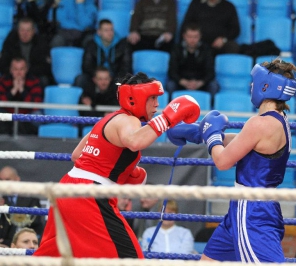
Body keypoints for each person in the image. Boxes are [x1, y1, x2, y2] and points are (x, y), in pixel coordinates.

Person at [33, 72, 200, 258]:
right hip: (89, 195)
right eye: (152, 98)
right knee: (129, 259)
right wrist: (168, 118)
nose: (157, 104)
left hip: (67, 188)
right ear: (136, 97)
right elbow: (135, 142)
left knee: (51, 257)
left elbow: (77, 155)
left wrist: (125, 173)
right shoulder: (128, 120)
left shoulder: (108, 119)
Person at [167, 58, 296, 262]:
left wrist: (212, 136)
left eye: (254, 82)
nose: (251, 86)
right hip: (245, 208)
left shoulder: (260, 124)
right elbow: (241, 143)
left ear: (266, 86)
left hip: (252, 212)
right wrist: (200, 133)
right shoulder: (278, 120)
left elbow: (222, 162)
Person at [167, 23, 219, 102]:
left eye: (195, 37)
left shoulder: (206, 50)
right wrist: (183, 82)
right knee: (170, 85)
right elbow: (172, 71)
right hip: (182, 82)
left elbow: (210, 72)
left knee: (213, 86)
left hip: (200, 83)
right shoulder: (176, 49)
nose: (192, 40)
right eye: (190, 37)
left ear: (200, 36)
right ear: (184, 36)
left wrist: (200, 83)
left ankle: (209, 108)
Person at [75, 19, 132, 90]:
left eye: (111, 30)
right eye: (106, 30)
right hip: (95, 77)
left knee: (126, 81)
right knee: (81, 79)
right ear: (99, 32)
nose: (110, 33)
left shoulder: (123, 45)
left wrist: (109, 77)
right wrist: (98, 76)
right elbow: (86, 66)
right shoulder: (91, 45)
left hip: (114, 78)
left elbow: (126, 67)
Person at [0, 17, 53, 88]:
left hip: (33, 75)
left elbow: (46, 67)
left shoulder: (41, 43)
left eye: (28, 30)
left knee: (44, 80)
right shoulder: (10, 41)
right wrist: (15, 72)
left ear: (33, 31)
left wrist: (25, 72)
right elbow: (3, 63)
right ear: (18, 31)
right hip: (13, 75)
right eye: (22, 30)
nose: (25, 33)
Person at [0, 56, 44, 135]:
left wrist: (22, 91)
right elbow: (1, 103)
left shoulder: (34, 81)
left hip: (27, 116)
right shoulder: (3, 81)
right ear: (11, 70)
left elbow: (36, 104)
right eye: (15, 69)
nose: (18, 73)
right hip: (8, 115)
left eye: (21, 69)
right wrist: (13, 92)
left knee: (38, 115)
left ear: (26, 70)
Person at [0, 166, 45, 240]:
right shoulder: (1, 199)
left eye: (7, 179)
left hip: (22, 244)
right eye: (1, 180)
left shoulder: (31, 199)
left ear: (17, 179)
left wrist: (9, 243)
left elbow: (35, 225)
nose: (3, 183)